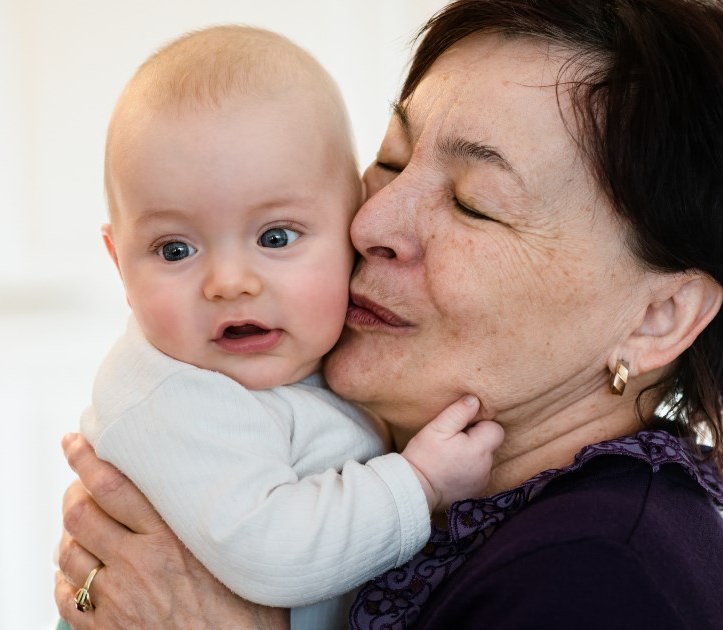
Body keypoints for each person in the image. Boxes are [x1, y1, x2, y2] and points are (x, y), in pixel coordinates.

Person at [55, 0, 723, 628]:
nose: (370, 224)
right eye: (392, 159)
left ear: (658, 316)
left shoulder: (602, 580)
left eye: (473, 205)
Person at [71, 25, 504, 629]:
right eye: (174, 250)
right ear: (119, 264)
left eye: (275, 237)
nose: (228, 282)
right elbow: (271, 555)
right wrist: (419, 482)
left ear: (353, 219)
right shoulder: (171, 397)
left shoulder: (325, 355)